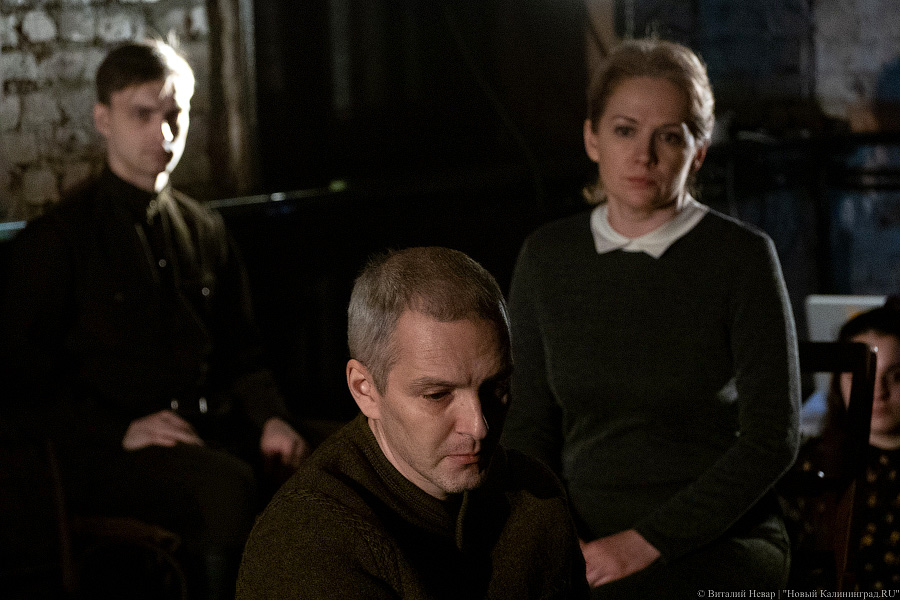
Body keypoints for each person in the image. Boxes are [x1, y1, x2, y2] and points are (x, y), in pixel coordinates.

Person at [0, 39, 307, 599]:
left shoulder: (203, 228)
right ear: (103, 119)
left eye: (174, 115)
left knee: (323, 462)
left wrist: (272, 419)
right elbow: (20, 385)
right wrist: (120, 429)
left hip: (209, 429)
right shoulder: (59, 241)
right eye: (142, 115)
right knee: (226, 489)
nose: (163, 135)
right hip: (110, 455)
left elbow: (243, 351)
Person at [500, 38, 801, 598]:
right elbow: (527, 428)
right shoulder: (547, 255)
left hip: (716, 532)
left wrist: (644, 543)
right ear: (592, 138)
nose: (645, 156)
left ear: (699, 151)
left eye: (669, 136)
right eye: (625, 130)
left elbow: (773, 438)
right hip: (580, 526)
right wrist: (553, 533)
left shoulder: (741, 257)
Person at [236, 246, 590, 599]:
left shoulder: (535, 498)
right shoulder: (310, 539)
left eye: (496, 387)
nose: (478, 427)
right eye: (437, 395)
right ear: (364, 389)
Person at [785, 301, 900, 591]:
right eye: (862, 376)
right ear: (839, 383)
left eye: (896, 376)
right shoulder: (811, 465)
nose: (878, 392)